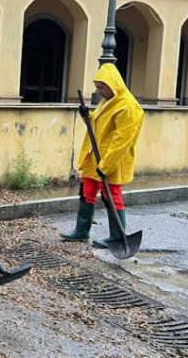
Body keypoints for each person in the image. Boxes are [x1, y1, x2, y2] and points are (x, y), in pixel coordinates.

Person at [61, 63, 144, 247]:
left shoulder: (128, 107)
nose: (98, 91)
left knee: (111, 197)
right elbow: (98, 126)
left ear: (112, 84)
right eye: (97, 87)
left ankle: (116, 237)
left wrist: (106, 166)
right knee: (87, 191)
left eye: (101, 87)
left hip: (113, 161)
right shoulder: (107, 100)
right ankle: (81, 231)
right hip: (94, 157)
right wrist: (86, 116)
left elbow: (121, 142)